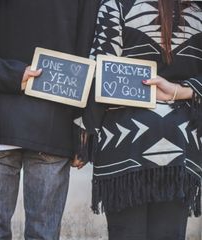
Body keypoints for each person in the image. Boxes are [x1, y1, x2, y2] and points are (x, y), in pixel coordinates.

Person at [0, 0, 100, 239]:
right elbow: (92, 50)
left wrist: (11, 74)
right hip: (54, 124)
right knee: (44, 234)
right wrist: (85, 130)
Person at [74, 0, 202, 239]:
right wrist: (181, 91)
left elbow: (98, 72)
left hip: (125, 145)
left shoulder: (116, 6)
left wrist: (84, 141)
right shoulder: (196, 11)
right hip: (180, 146)